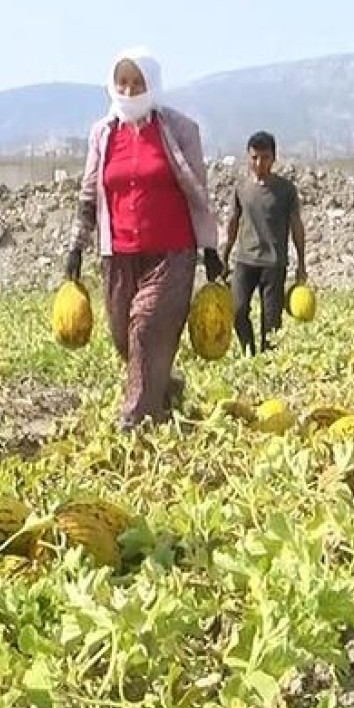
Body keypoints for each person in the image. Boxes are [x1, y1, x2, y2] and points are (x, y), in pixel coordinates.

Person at [63, 47, 225, 432]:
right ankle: (165, 387)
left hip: (172, 252)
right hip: (117, 252)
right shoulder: (103, 134)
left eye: (138, 83)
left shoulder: (180, 130)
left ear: (152, 86)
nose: (130, 90)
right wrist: (75, 246)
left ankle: (136, 419)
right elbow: (89, 193)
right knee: (125, 338)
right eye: (123, 82)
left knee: (146, 327)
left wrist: (211, 248)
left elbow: (198, 191)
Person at [221, 131, 308, 355]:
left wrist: (301, 263)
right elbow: (233, 222)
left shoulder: (285, 190)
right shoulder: (241, 189)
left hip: (273, 263)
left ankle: (268, 365)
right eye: (254, 158)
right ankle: (248, 352)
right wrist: (225, 254)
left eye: (265, 157)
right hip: (245, 260)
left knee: (271, 321)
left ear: (273, 158)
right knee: (237, 310)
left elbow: (296, 226)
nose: (259, 163)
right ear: (248, 157)